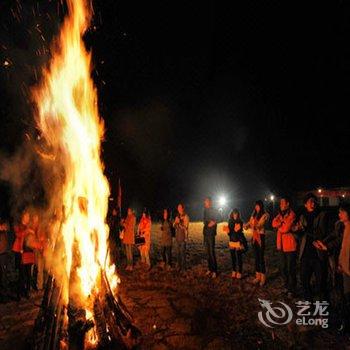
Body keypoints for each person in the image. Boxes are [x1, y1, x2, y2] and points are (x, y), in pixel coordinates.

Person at [314, 204, 350, 332]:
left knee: (347, 295)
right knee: (343, 294)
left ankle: (345, 323)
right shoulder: (341, 226)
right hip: (343, 265)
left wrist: (327, 247)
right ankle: (344, 321)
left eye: (342, 212)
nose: (339, 214)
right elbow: (335, 238)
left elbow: (340, 242)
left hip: (347, 267)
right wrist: (323, 243)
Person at [294, 193, 329, 301]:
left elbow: (322, 232)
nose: (312, 203)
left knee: (320, 283)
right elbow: (300, 236)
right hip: (305, 254)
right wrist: (297, 230)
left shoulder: (322, 215)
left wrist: (306, 229)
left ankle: (321, 305)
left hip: (318, 254)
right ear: (305, 204)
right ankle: (309, 302)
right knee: (304, 281)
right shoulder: (302, 216)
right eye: (310, 201)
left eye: (314, 201)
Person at [272, 197, 297, 296]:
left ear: (288, 204)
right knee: (283, 268)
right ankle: (286, 287)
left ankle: (292, 289)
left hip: (290, 246)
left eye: (283, 203)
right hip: (281, 246)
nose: (281, 205)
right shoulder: (279, 215)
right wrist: (281, 223)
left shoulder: (292, 214)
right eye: (280, 203)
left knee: (291, 268)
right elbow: (273, 223)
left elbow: (285, 229)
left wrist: (280, 225)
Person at [245, 200, 270, 286]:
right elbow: (249, 223)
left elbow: (260, 225)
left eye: (258, 206)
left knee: (261, 257)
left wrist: (253, 225)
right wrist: (246, 225)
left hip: (260, 237)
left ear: (261, 206)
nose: (256, 207)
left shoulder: (265, 215)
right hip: (254, 238)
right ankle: (257, 276)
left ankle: (263, 278)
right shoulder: (253, 215)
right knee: (256, 257)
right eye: (255, 206)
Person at [225, 209, 247, 279]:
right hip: (232, 241)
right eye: (234, 213)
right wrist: (227, 231)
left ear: (238, 214)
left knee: (239, 257)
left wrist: (240, 242)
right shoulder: (230, 221)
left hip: (238, 241)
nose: (235, 215)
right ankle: (234, 271)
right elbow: (229, 233)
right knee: (233, 257)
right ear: (232, 214)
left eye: (236, 213)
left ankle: (239, 272)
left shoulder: (240, 221)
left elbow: (240, 233)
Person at [203, 197, 218, 278]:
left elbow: (220, 217)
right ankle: (210, 269)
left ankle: (215, 271)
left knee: (212, 253)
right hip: (205, 234)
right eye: (205, 201)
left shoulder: (214, 210)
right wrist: (206, 222)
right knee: (207, 253)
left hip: (211, 234)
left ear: (210, 202)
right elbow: (204, 220)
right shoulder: (205, 210)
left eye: (206, 201)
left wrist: (214, 222)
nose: (205, 202)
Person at [31, 213, 46, 290]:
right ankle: (31, 286)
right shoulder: (31, 227)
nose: (35, 219)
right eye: (34, 218)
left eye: (36, 218)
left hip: (39, 250)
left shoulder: (41, 228)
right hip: (33, 251)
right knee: (33, 269)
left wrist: (42, 246)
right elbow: (30, 240)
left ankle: (39, 286)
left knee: (40, 269)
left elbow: (43, 239)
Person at [173, 204, 190, 271]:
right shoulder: (177, 216)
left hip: (183, 238)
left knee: (183, 254)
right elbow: (174, 226)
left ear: (183, 208)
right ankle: (179, 266)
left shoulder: (186, 216)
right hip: (177, 237)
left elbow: (185, 227)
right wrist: (175, 223)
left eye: (180, 207)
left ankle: (183, 268)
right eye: (178, 207)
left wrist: (179, 222)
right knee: (178, 253)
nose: (179, 209)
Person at [0, 219, 9, 302]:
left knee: (4, 276)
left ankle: (4, 296)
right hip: (2, 254)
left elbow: (6, 228)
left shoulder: (4, 231)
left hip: (3, 255)